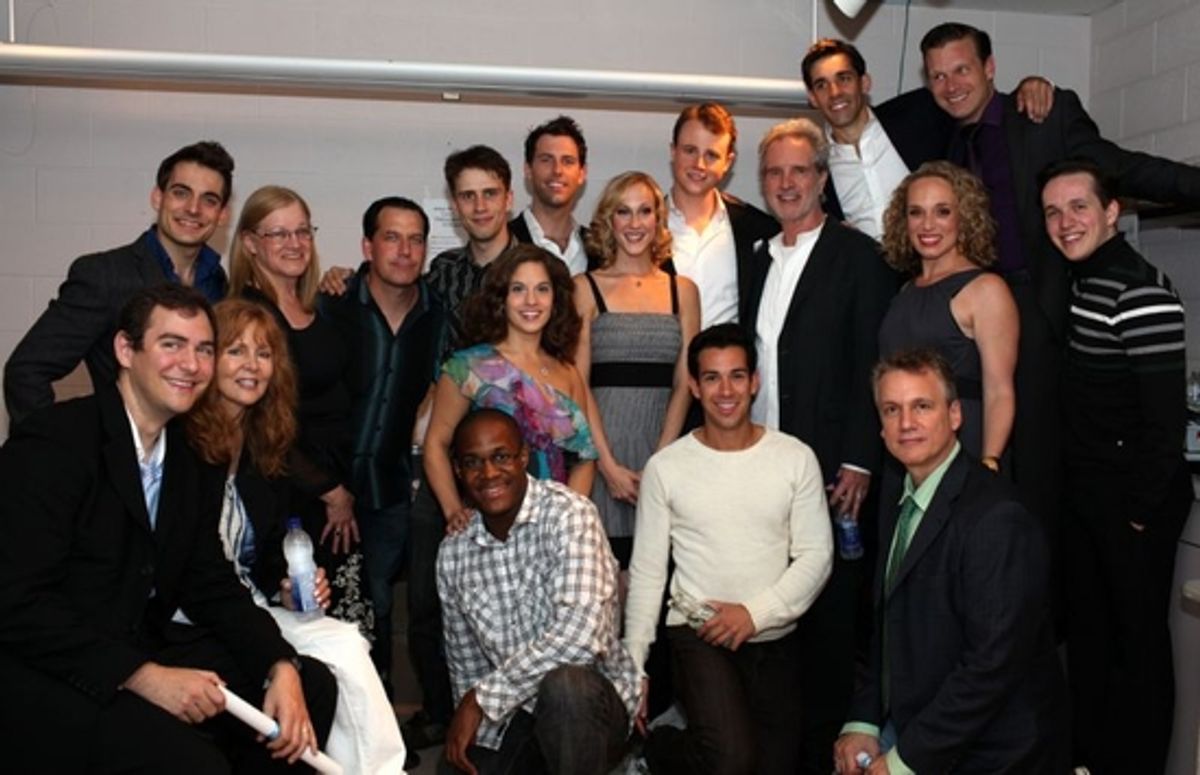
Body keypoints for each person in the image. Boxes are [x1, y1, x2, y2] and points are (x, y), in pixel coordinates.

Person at [0, 284, 336, 773]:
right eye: (171, 344)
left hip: (137, 644)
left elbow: (210, 581)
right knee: (191, 763)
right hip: (52, 668)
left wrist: (279, 663)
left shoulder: (188, 456)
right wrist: (143, 676)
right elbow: (16, 603)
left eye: (203, 349)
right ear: (125, 350)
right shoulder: (55, 440)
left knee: (313, 685)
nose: (192, 364)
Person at [921, 20, 1200, 529]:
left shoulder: (1042, 116)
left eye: (961, 69)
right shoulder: (949, 150)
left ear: (989, 68)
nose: (950, 85)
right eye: (937, 76)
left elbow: (1124, 168)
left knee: (1040, 479)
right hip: (977, 320)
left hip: (1045, 321)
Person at [186, 298, 406, 774]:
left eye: (264, 354)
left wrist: (288, 587)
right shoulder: (185, 447)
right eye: (236, 351)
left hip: (253, 604)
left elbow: (264, 562)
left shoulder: (264, 451)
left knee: (348, 641)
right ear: (207, 359)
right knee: (325, 672)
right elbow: (196, 572)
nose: (252, 365)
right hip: (195, 615)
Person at [741, 116, 897, 775]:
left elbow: (875, 358)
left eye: (799, 170)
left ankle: (833, 752)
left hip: (834, 473)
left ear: (822, 180)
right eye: (774, 172)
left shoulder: (857, 256)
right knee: (776, 623)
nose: (785, 182)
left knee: (831, 623)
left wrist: (861, 455)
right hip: (764, 468)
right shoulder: (758, 258)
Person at [834, 349, 1067, 774]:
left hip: (992, 753)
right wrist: (863, 718)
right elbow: (888, 627)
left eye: (922, 406)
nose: (906, 424)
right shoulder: (901, 501)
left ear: (955, 414)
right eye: (892, 409)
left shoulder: (998, 517)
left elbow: (990, 667)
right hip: (921, 724)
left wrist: (904, 760)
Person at [625, 323, 832, 774]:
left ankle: (686, 739)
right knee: (732, 761)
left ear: (755, 382)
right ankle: (660, 749)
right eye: (713, 377)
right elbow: (647, 572)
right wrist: (635, 665)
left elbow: (817, 556)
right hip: (698, 632)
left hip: (774, 635)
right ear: (695, 387)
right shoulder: (666, 468)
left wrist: (753, 614)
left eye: (737, 376)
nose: (726, 390)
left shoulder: (795, 457)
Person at [1040, 159, 1192, 774]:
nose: (1065, 221)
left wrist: (1133, 515)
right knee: (1094, 647)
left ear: (1111, 213)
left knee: (1138, 653)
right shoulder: (1083, 281)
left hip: (1133, 501)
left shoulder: (1138, 289)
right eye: (1052, 211)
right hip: (1090, 494)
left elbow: (1164, 422)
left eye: (1079, 207)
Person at [437, 408, 641, 775]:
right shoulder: (454, 551)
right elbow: (465, 664)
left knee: (566, 688)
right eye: (473, 462)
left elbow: (582, 638)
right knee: (456, 767)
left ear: (523, 457)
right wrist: (470, 716)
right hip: (512, 712)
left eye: (500, 457)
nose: (488, 474)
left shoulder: (569, 514)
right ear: (458, 470)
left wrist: (482, 700)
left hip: (589, 707)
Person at [5, 140, 234, 425]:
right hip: (124, 461)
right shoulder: (105, 275)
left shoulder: (218, 282)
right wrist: (55, 453)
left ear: (222, 214)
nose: (193, 209)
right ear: (157, 198)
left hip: (196, 461)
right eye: (181, 193)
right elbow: (26, 371)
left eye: (209, 200)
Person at [227, 185, 371, 633]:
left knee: (343, 620)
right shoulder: (251, 312)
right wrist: (331, 492)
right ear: (250, 243)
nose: (294, 243)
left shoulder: (315, 304)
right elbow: (262, 423)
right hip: (293, 490)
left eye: (302, 231)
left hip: (332, 484)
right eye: (279, 234)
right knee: (311, 617)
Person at [320, 196, 448, 701]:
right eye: (392, 237)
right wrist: (329, 488)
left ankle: (377, 719)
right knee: (324, 606)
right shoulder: (331, 306)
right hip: (323, 487)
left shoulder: (437, 315)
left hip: (389, 490)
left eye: (416, 239)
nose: (405, 250)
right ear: (367, 246)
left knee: (374, 605)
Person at [800, 38, 1052, 239]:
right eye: (822, 85)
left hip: (941, 279)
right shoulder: (816, 170)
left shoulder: (920, 112)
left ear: (864, 83)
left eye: (844, 79)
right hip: (872, 291)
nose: (835, 93)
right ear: (812, 97)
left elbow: (971, 100)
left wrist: (1030, 86)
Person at [425, 243, 598, 532]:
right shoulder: (467, 367)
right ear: (501, 298)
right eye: (518, 289)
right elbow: (436, 444)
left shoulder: (568, 373)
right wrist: (453, 510)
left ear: (555, 299)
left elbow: (584, 458)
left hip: (556, 529)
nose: (531, 300)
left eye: (542, 289)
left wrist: (568, 520)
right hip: (489, 526)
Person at [574, 171, 700, 567]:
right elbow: (577, 382)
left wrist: (659, 465)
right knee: (605, 585)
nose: (634, 223)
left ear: (658, 219)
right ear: (609, 220)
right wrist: (607, 466)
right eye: (623, 212)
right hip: (601, 457)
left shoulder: (685, 291)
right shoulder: (584, 287)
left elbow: (685, 383)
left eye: (644, 211)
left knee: (658, 583)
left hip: (664, 453)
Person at [878, 161, 1018, 468]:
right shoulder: (904, 292)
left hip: (964, 450)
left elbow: (999, 391)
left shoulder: (986, 290)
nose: (928, 225)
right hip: (906, 452)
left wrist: (990, 462)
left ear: (964, 218)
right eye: (916, 212)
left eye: (942, 211)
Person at [666, 102, 779, 328]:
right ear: (673, 151)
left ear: (728, 162)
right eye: (690, 150)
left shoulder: (759, 229)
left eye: (711, 155)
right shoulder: (639, 227)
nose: (699, 164)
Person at [510, 115, 596, 275]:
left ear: (582, 173)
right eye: (546, 160)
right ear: (528, 169)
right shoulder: (504, 243)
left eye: (568, 161)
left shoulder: (599, 248)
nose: (557, 170)